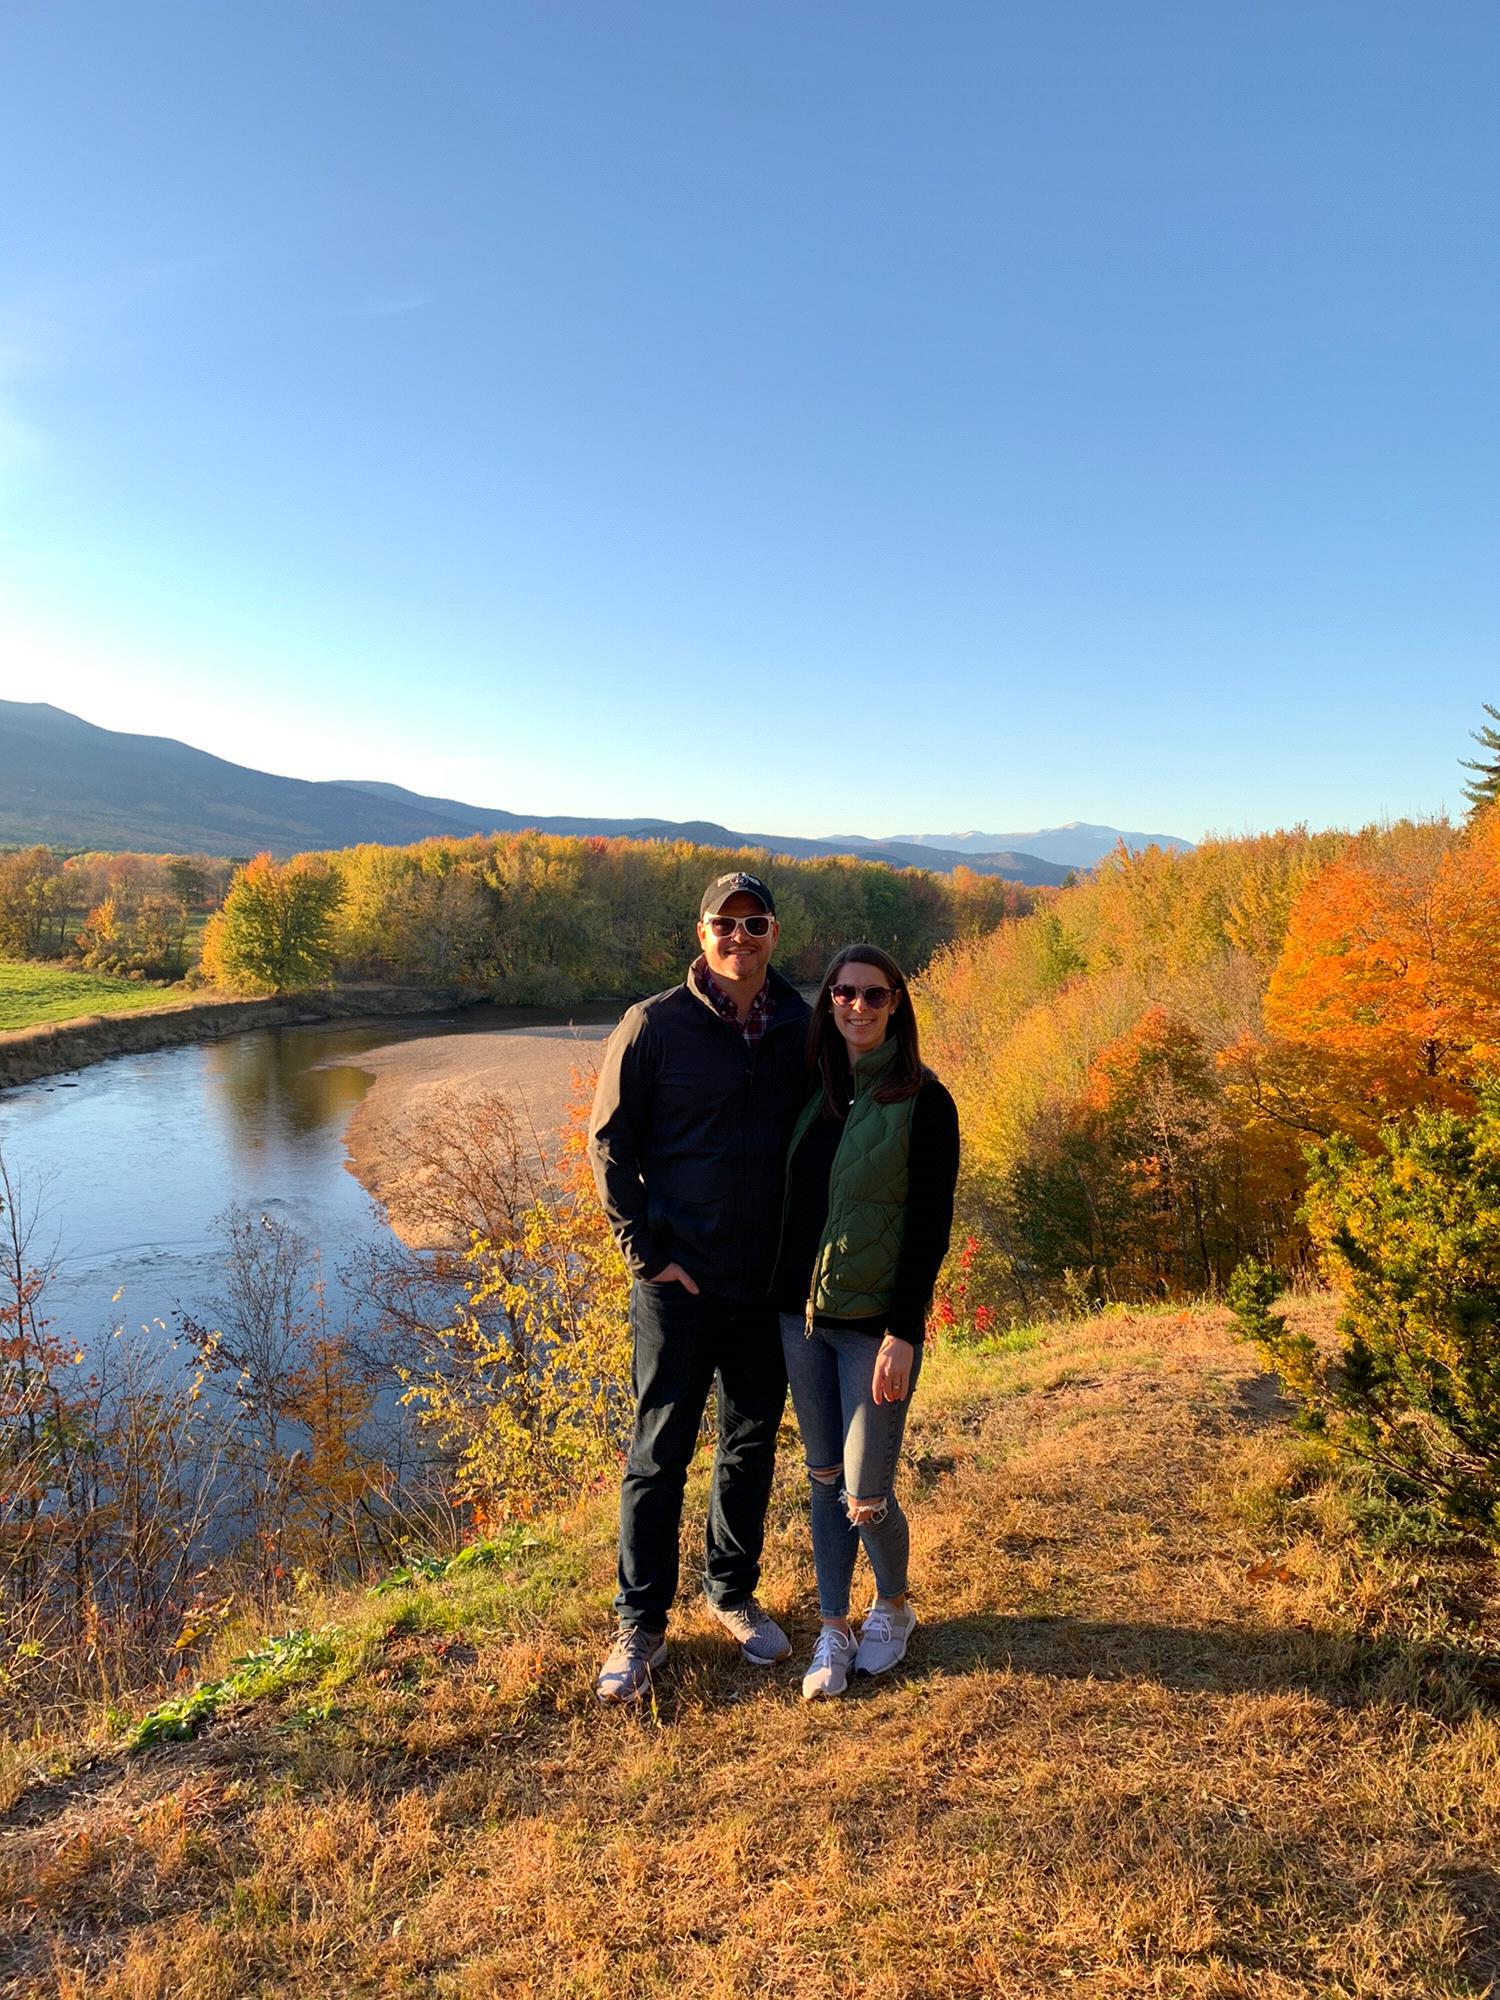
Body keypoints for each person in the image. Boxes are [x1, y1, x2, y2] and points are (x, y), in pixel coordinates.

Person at [588, 871, 812, 1702]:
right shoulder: (654, 1026)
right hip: (678, 1282)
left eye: (756, 925)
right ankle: (641, 1626)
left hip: (765, 1282)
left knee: (752, 1443)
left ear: (774, 935)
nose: (740, 938)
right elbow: (610, 1145)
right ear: (702, 931)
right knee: (660, 1453)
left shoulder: (800, 1021)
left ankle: (731, 1593)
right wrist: (644, 1252)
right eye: (727, 923)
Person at [771, 942, 959, 1700]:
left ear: (896, 1005)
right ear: (828, 1004)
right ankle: (833, 1627)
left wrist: (904, 1331)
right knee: (821, 1481)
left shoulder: (925, 1099)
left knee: (864, 1492)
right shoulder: (809, 1090)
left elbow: (929, 1226)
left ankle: (894, 1606)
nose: (856, 1006)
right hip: (800, 1318)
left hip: (874, 1325)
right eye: (842, 994)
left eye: (873, 995)